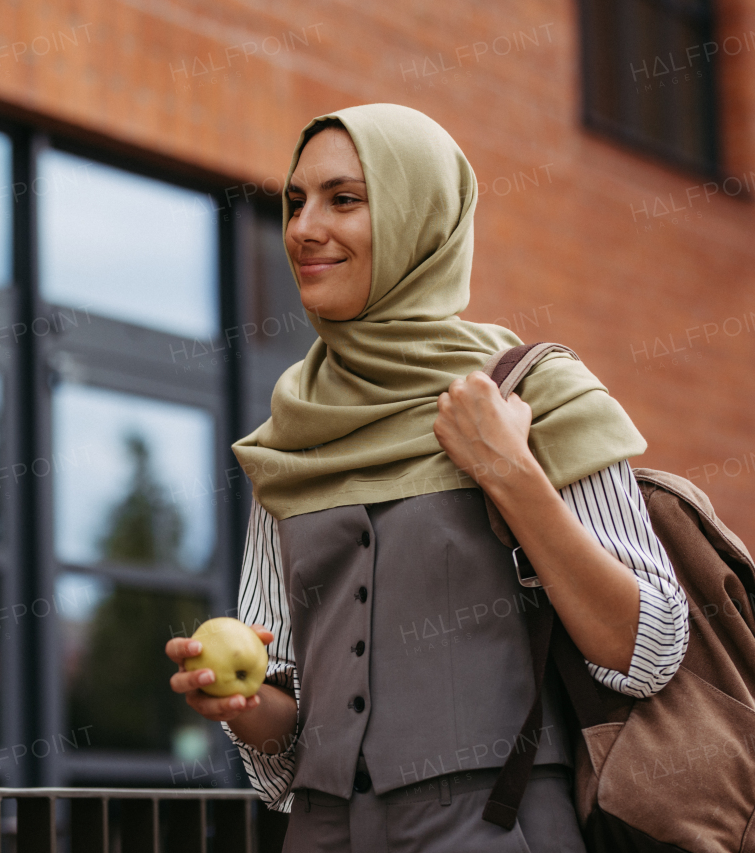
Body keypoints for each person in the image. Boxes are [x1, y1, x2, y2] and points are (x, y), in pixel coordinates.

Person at [164, 105, 690, 851]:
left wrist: (511, 474)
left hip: (501, 828)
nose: (304, 228)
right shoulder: (290, 435)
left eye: (344, 199)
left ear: (422, 217)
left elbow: (652, 650)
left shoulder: (536, 393)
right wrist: (240, 703)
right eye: (294, 201)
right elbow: (286, 753)